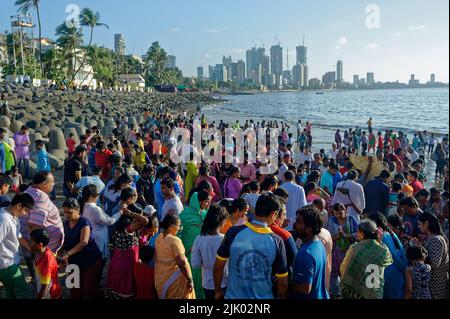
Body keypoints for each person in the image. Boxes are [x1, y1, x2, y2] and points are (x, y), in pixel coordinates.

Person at [214, 193, 288, 299]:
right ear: (273, 214)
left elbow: (218, 267)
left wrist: (217, 291)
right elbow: (283, 282)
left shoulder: (233, 232)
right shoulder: (277, 241)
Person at [105, 188, 149, 299]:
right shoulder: (129, 227)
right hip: (126, 258)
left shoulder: (119, 217)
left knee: (115, 280)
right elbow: (145, 221)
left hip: (117, 256)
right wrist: (131, 213)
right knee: (124, 281)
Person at [59, 198, 103, 299]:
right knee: (74, 289)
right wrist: (60, 254)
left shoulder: (84, 222)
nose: (66, 215)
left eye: (69, 212)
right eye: (65, 212)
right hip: (73, 260)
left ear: (78, 210)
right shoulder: (66, 223)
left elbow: (83, 242)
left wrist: (67, 254)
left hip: (90, 260)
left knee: (89, 290)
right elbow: (64, 241)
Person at [340, 219, 393, 299]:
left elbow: (343, 269)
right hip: (375, 293)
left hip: (357, 292)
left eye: (358, 232)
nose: (357, 234)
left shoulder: (355, 248)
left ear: (362, 234)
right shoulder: (383, 250)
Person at [291, 205, 330, 299]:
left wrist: (284, 284)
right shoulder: (319, 244)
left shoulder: (306, 253)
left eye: (298, 222)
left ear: (310, 228)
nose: (294, 224)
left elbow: (305, 288)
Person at [366, 211, 408, 299]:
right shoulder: (391, 234)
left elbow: (394, 257)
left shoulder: (384, 237)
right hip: (396, 275)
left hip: (390, 276)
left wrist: (403, 268)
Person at [0, 193, 34, 299]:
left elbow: (18, 237)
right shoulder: (4, 220)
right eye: (25, 210)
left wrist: (32, 250)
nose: (25, 214)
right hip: (7, 265)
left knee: (11, 293)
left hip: (10, 263)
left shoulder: (12, 215)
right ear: (19, 205)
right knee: (23, 293)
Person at [191, 204, 229, 300]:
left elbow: (195, 264)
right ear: (221, 221)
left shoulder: (199, 239)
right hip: (224, 282)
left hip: (207, 284)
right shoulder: (224, 239)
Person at [178, 190, 211, 299]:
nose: (208, 204)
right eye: (206, 202)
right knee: (191, 274)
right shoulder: (185, 214)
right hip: (188, 250)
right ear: (199, 202)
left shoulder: (205, 214)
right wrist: (180, 250)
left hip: (202, 251)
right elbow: (178, 231)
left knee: (201, 277)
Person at [154, 214, 195, 299]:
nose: (180, 229)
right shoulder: (174, 240)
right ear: (171, 227)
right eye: (178, 226)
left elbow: (170, 258)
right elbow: (182, 262)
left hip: (160, 281)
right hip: (173, 283)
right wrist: (189, 280)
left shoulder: (158, 237)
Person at [23, 172, 63, 254]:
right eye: (52, 182)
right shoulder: (41, 198)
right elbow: (34, 225)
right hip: (43, 248)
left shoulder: (29, 191)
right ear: (44, 184)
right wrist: (42, 250)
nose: (54, 184)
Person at [81, 184, 121, 264]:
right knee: (98, 263)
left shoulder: (84, 205)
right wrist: (119, 213)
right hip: (98, 239)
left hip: (91, 237)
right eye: (97, 195)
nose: (98, 197)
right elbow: (109, 221)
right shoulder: (95, 209)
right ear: (91, 196)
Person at [418, 213, 449, 299]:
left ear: (426, 224)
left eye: (420, 224)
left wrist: (419, 254)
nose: (419, 227)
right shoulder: (431, 237)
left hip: (437, 285)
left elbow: (434, 263)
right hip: (433, 284)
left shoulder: (436, 239)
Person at [29, 229, 62, 299]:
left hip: (50, 295)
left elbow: (44, 289)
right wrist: (63, 261)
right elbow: (55, 256)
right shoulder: (45, 251)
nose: (28, 242)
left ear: (40, 245)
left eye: (31, 241)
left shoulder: (46, 264)